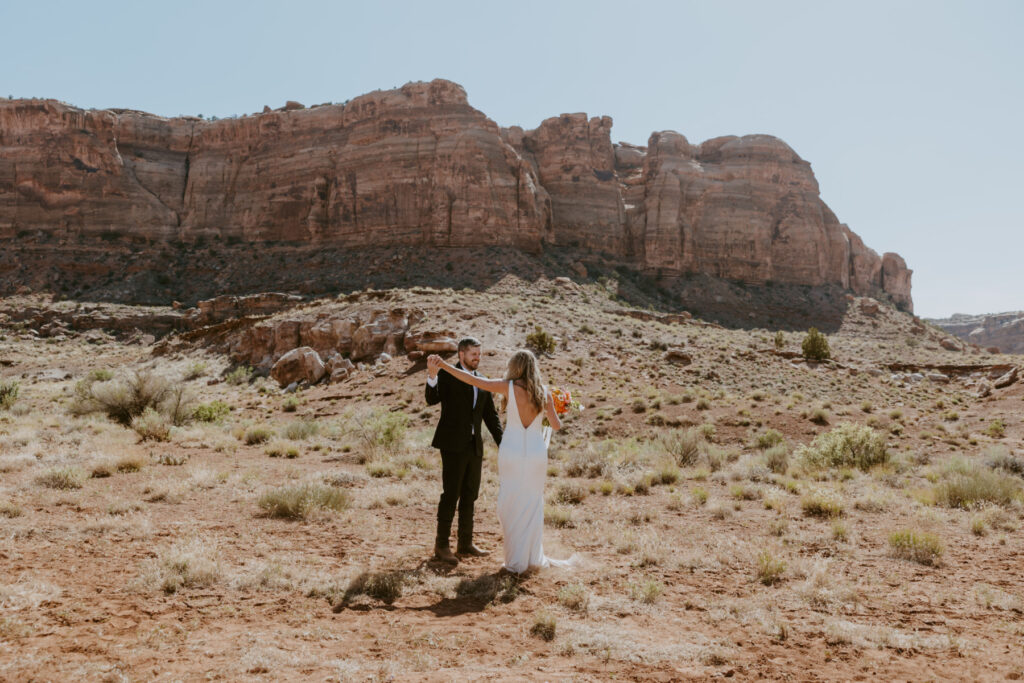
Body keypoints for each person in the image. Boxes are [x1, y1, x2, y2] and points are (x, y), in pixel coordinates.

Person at [427, 348, 575, 575]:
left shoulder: (507, 387)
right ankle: (530, 557)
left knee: (511, 502)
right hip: (536, 452)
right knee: (532, 503)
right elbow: (556, 426)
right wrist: (557, 407)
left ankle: (515, 559)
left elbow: (470, 378)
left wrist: (444, 367)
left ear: (515, 367)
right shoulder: (544, 393)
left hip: (513, 450)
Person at [425, 337, 503, 564]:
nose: (477, 358)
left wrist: (504, 443)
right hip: (452, 444)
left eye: (479, 355)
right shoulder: (448, 374)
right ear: (461, 354)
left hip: (474, 445)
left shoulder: (483, 381)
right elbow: (431, 399)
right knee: (451, 495)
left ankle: (465, 543)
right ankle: (441, 546)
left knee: (470, 494)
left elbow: (491, 417)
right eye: (473, 355)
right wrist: (432, 376)